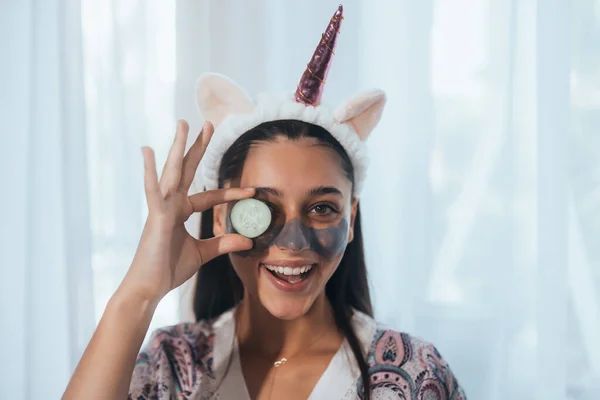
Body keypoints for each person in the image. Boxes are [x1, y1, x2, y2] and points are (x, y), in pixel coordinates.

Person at [63, 5, 466, 400]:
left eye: (322, 208)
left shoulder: (416, 374)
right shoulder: (170, 365)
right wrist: (140, 292)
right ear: (220, 216)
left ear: (352, 217)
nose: (293, 242)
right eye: (262, 208)